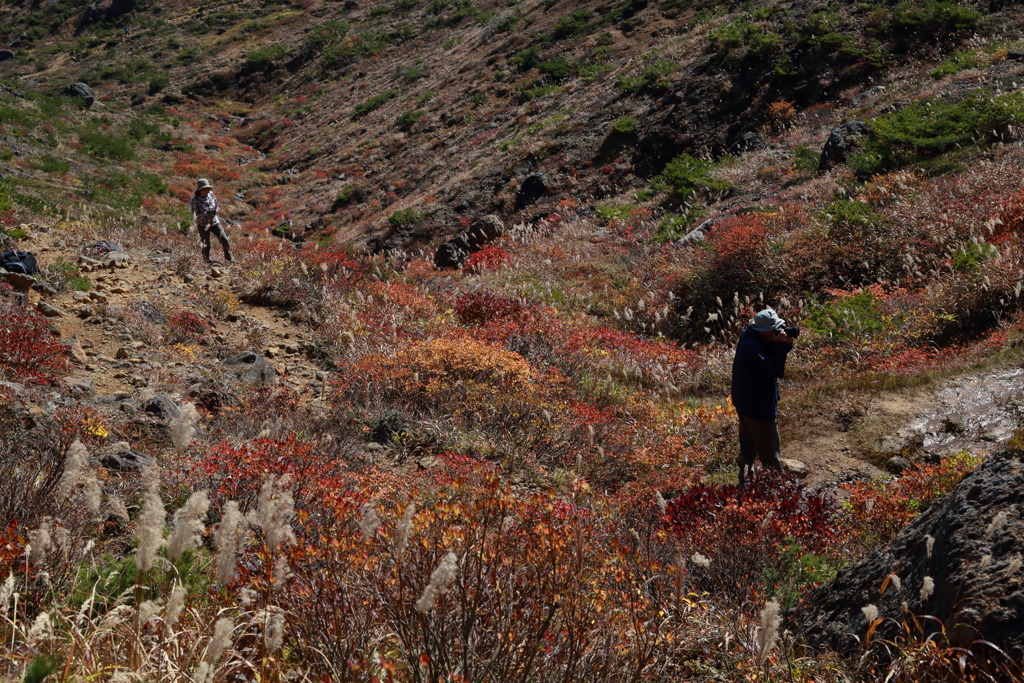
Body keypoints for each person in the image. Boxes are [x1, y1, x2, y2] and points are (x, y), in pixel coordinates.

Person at [731, 308, 797, 487]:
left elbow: (769, 353)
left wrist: (785, 342)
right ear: (764, 330)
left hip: (745, 401)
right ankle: (775, 487)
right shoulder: (752, 348)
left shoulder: (751, 337)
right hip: (757, 406)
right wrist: (780, 346)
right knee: (769, 448)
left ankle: (745, 475)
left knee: (749, 440)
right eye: (774, 328)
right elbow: (774, 370)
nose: (778, 330)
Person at [189, 178, 234, 264]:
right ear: (200, 190)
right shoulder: (194, 200)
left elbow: (217, 205)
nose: (207, 190)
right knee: (206, 244)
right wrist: (206, 214)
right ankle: (206, 261)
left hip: (214, 222)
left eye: (208, 189)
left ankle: (229, 259)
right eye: (205, 189)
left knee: (224, 239)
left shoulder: (211, 194)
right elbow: (195, 216)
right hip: (203, 224)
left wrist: (215, 210)